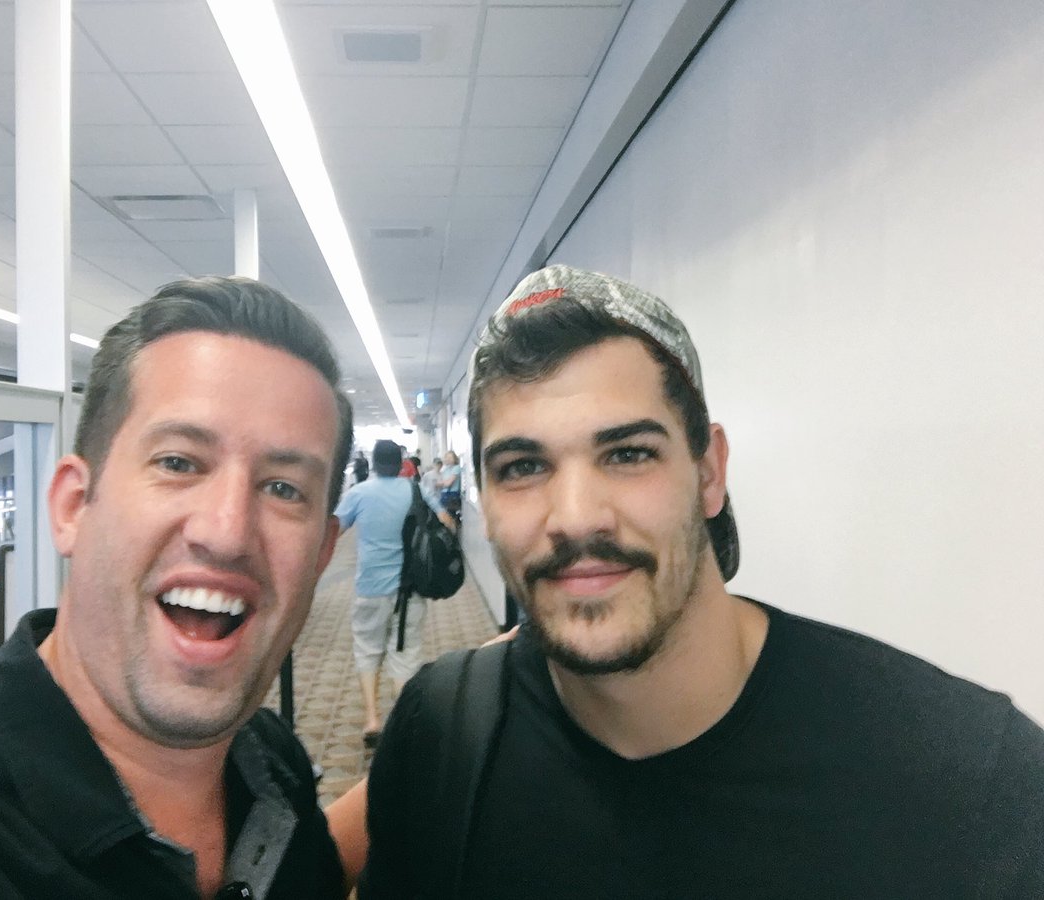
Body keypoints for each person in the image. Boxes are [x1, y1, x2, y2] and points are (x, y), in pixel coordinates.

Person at [358, 265, 1044, 897]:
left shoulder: (970, 780)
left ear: (709, 472)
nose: (575, 518)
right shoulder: (437, 740)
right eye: (522, 467)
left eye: (627, 453)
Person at [0, 276, 352, 899]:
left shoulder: (274, 767)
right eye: (178, 463)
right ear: (73, 507)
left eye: (283, 488)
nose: (227, 532)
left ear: (323, 553)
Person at [334, 440, 448, 748]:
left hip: (370, 587)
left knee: (368, 649)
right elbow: (446, 522)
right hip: (410, 588)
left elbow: (332, 532)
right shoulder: (415, 490)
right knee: (407, 653)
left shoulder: (358, 493)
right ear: (400, 463)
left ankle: (372, 718)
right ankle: (403, 722)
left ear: (373, 464)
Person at [437, 450, 462, 519]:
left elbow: (449, 483)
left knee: (451, 516)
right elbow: (439, 481)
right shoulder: (445, 469)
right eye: (447, 457)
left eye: (450, 457)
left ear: (454, 458)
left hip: (452, 496)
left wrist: (442, 483)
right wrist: (443, 482)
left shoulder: (456, 468)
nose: (448, 459)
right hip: (444, 495)